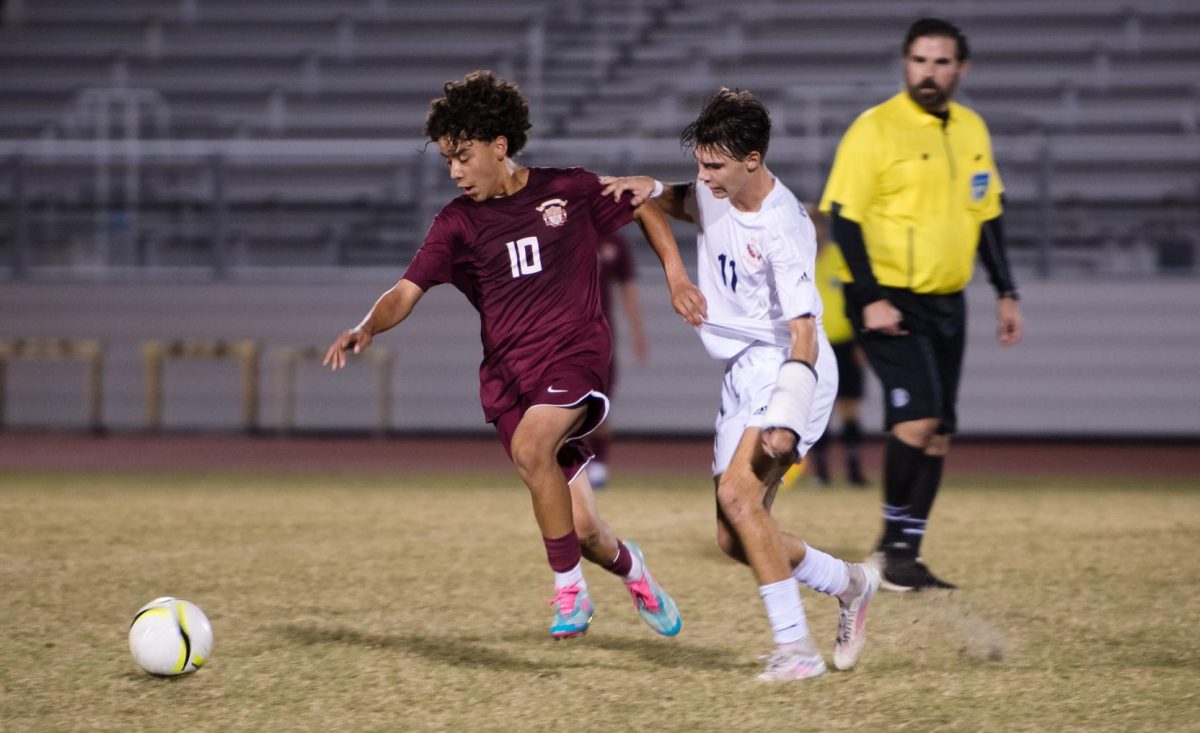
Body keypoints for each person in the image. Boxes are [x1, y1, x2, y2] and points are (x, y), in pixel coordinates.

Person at [324, 71, 707, 640]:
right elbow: (406, 290)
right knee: (582, 528)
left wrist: (676, 276)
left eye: (462, 156)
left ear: (498, 147)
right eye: (447, 160)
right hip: (510, 383)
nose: (454, 170)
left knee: (533, 447)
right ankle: (635, 571)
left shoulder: (569, 190)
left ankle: (569, 595)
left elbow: (642, 201)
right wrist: (366, 327)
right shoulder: (456, 223)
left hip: (575, 357)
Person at [601, 88, 880, 682]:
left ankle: (796, 651)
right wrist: (665, 239)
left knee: (737, 496)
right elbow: (668, 200)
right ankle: (850, 583)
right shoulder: (714, 186)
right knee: (736, 537)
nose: (703, 177)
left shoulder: (784, 228)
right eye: (701, 163)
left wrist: (787, 414)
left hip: (789, 367)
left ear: (753, 159)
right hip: (742, 370)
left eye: (714, 167)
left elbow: (805, 332)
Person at [819, 18, 1024, 592]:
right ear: (905, 63)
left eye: (940, 62)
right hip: (890, 300)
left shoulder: (972, 129)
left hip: (948, 301)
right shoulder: (875, 129)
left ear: (961, 68)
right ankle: (891, 551)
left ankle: (904, 553)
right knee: (918, 419)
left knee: (938, 433)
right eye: (919, 61)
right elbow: (845, 218)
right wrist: (872, 297)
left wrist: (1006, 292)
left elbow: (987, 216)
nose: (928, 72)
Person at [584, 229, 649, 489]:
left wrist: (638, 332)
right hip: (563, 335)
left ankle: (598, 464)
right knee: (564, 403)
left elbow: (627, 288)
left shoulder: (614, 241)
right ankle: (572, 464)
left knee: (599, 403)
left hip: (601, 338)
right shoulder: (562, 229)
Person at [804, 236, 869, 487]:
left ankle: (854, 471)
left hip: (845, 343)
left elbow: (856, 297)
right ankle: (821, 473)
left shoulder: (838, 256)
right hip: (813, 344)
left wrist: (861, 341)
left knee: (849, 407)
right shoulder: (799, 254)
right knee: (818, 408)